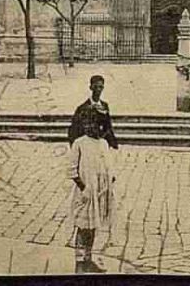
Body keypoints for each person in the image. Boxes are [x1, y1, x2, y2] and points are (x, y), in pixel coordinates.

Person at [69, 109, 115, 273]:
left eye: (93, 124)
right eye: (86, 124)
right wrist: (84, 188)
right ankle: (80, 260)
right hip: (87, 191)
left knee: (94, 225)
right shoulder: (79, 143)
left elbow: (108, 165)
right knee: (83, 226)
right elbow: (73, 170)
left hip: (100, 192)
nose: (89, 127)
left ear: (99, 125)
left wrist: (109, 181)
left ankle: (88, 258)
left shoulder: (103, 144)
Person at [69, 75, 119, 150]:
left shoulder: (104, 106)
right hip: (87, 147)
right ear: (91, 87)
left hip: (101, 146)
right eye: (96, 87)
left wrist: (113, 144)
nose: (98, 90)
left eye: (101, 87)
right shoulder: (82, 108)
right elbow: (74, 130)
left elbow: (108, 127)